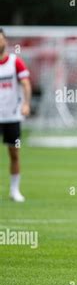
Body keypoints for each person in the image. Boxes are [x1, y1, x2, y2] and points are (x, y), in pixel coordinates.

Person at [0, 28, 31, 202]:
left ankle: (14, 190)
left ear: (5, 41)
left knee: (14, 153)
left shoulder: (15, 62)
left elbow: (25, 83)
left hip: (12, 116)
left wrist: (26, 104)